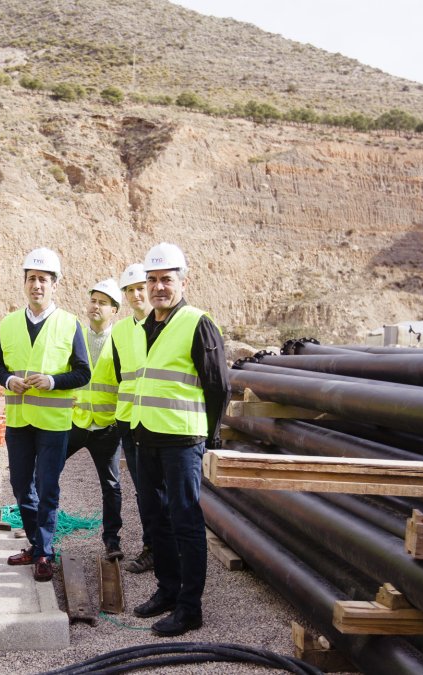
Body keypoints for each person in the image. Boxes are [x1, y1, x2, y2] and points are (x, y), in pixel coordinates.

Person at [128, 243, 229, 638]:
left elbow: (218, 385)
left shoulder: (197, 322)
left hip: (182, 438)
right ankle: (167, 592)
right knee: (156, 520)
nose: (157, 287)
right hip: (146, 435)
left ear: (182, 281)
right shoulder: (142, 328)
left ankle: (190, 609)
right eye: (151, 280)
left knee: (185, 521)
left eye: (165, 280)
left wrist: (212, 437)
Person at [0, 247, 91, 582]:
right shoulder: (9, 323)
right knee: (20, 485)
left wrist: (52, 381)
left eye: (43, 279)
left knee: (47, 487)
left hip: (53, 423)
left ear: (54, 285)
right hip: (19, 422)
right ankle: (35, 544)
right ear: (24, 283)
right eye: (32, 278)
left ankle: (45, 552)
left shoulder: (68, 324)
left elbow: (82, 373)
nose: (37, 285)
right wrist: (8, 379)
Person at [68, 278, 125, 562]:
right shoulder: (74, 335)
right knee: (46, 472)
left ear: (114, 310)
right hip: (76, 422)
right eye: (93, 300)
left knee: (111, 485)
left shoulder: (120, 341)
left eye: (103, 303)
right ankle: (41, 537)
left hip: (106, 425)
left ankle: (112, 540)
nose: (96, 307)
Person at [113, 263, 158, 574]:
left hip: (160, 421)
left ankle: (169, 548)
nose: (136, 294)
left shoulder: (165, 326)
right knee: (144, 489)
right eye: (130, 290)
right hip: (130, 422)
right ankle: (152, 547)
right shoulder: (120, 331)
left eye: (140, 287)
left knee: (164, 490)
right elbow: (121, 375)